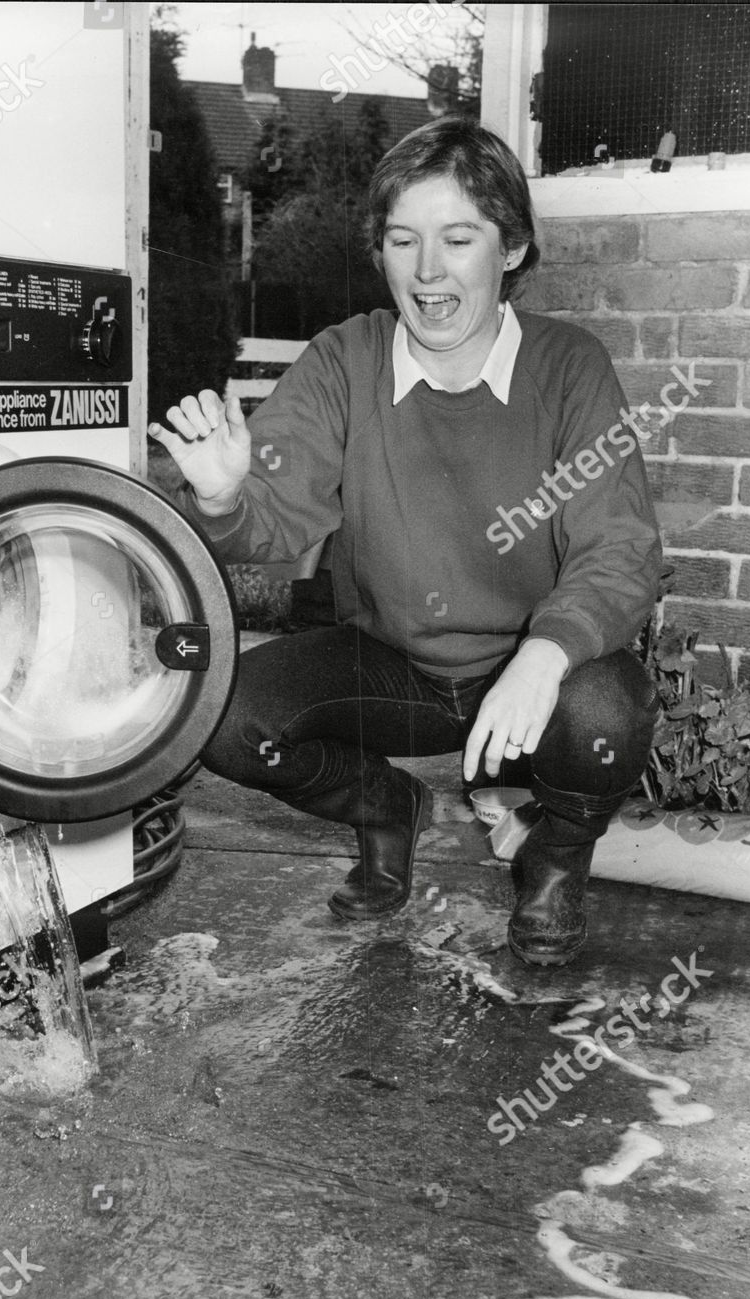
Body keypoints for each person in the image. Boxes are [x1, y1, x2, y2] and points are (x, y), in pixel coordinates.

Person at [149, 119, 661, 967]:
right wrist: (225, 493)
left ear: (513, 250)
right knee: (221, 716)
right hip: (391, 664)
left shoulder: (570, 367)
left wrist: (544, 657)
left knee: (608, 709)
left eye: (458, 239)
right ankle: (388, 810)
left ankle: (554, 858)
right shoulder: (345, 361)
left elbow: (621, 551)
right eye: (402, 240)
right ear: (380, 252)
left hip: (527, 669)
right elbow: (270, 523)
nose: (428, 272)